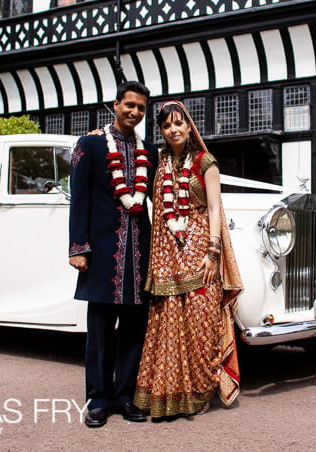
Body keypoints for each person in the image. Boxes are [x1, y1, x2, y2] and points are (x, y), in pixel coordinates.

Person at [133, 100, 243, 419]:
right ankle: (167, 397)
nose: (173, 130)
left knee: (200, 324)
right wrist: (102, 134)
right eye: (167, 126)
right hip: (168, 258)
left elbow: (214, 210)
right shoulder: (159, 161)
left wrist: (213, 253)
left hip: (200, 258)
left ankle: (197, 394)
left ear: (189, 125)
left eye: (178, 123)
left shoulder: (205, 162)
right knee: (166, 325)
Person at [68, 81, 158, 427]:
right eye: (129, 105)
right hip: (102, 253)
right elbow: (79, 199)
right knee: (101, 329)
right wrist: (79, 248)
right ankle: (98, 400)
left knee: (135, 329)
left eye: (141, 108)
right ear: (115, 104)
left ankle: (125, 396)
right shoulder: (89, 145)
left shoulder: (149, 152)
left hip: (139, 254)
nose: (135, 112)